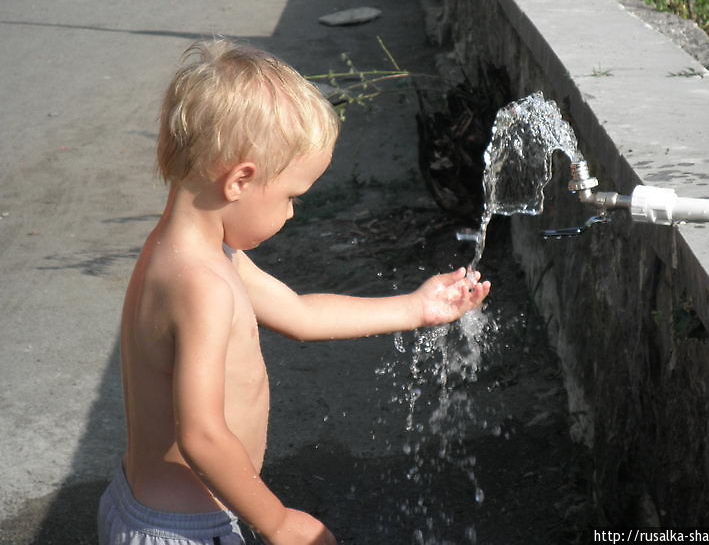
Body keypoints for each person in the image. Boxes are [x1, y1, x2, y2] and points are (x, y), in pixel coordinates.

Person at [97, 39, 491, 545]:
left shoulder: (186, 254)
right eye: (290, 197)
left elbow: (299, 314)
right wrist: (278, 522)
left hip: (143, 504)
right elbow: (201, 435)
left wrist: (416, 307)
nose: (290, 214)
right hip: (185, 531)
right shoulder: (203, 286)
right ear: (240, 179)